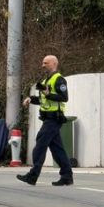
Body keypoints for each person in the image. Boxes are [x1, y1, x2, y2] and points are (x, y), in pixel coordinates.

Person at [16, 55, 74, 187]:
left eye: (45, 63)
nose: (43, 65)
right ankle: (67, 176)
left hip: (54, 118)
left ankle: (32, 176)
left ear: (54, 63)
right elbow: (43, 100)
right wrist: (31, 99)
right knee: (57, 150)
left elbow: (64, 97)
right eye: (43, 63)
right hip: (48, 118)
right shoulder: (45, 81)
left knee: (40, 144)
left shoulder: (59, 79)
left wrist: (49, 94)